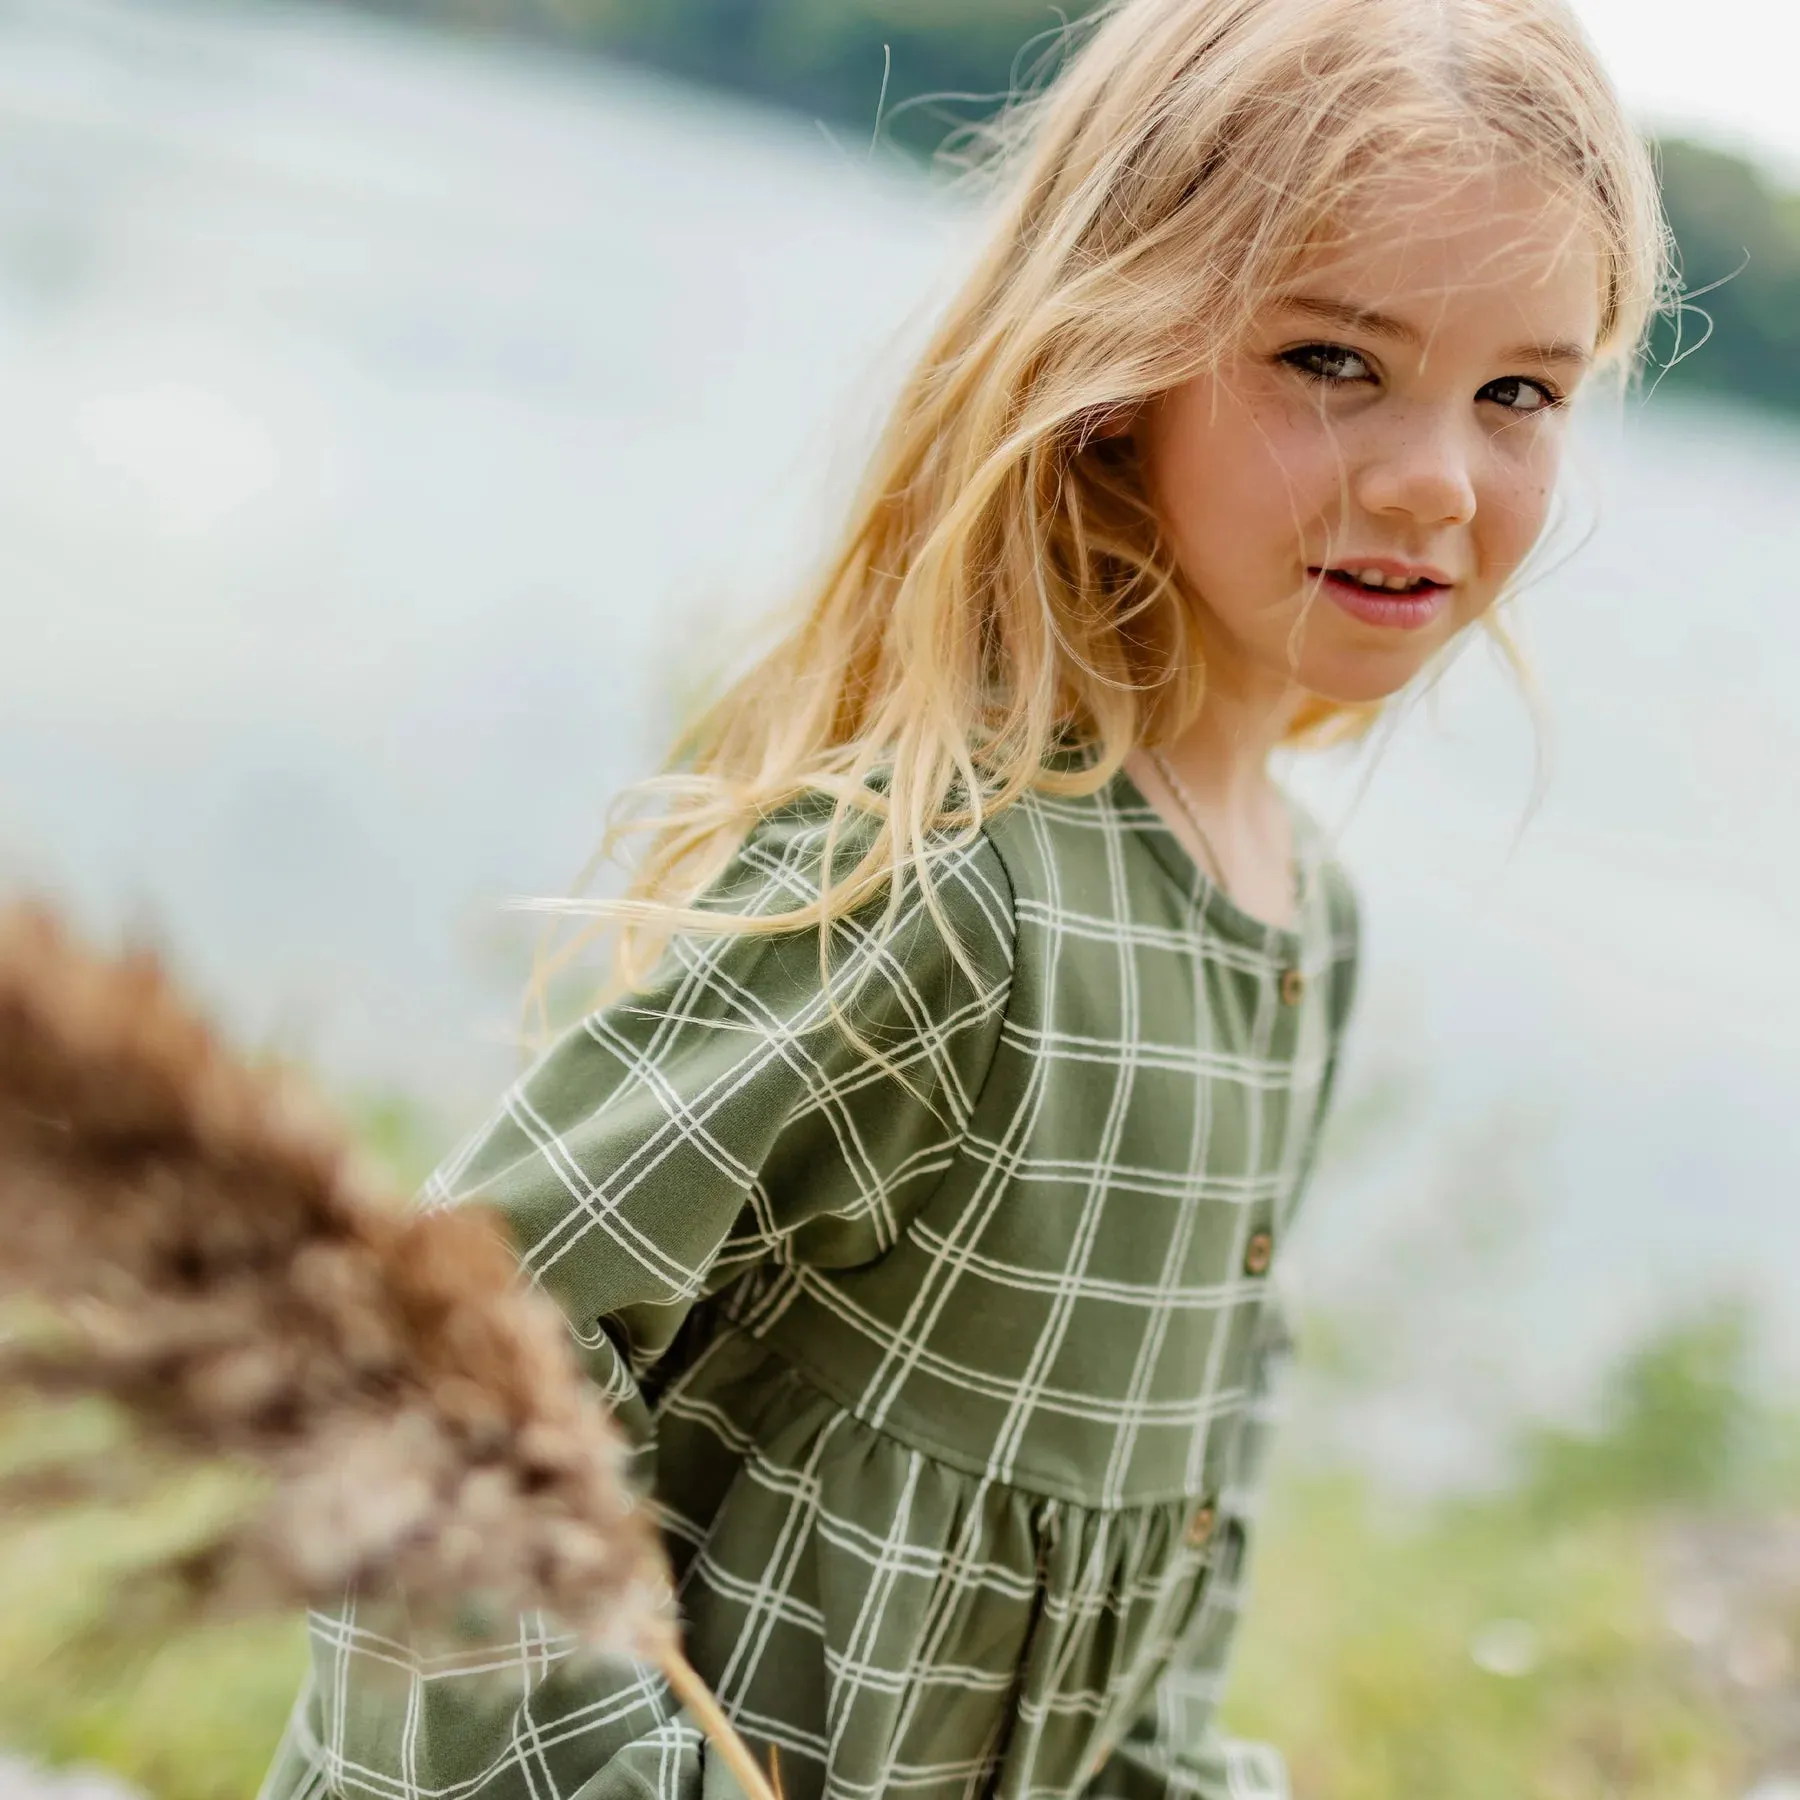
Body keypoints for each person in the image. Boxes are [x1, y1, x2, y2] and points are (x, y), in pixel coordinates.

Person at [264, 0, 1667, 1794]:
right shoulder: (950, 876)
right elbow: (444, 1350)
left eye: (1520, 393)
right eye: (1330, 357)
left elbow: (1176, 1525)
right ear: (1115, 363)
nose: (1433, 476)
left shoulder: (1304, 930)